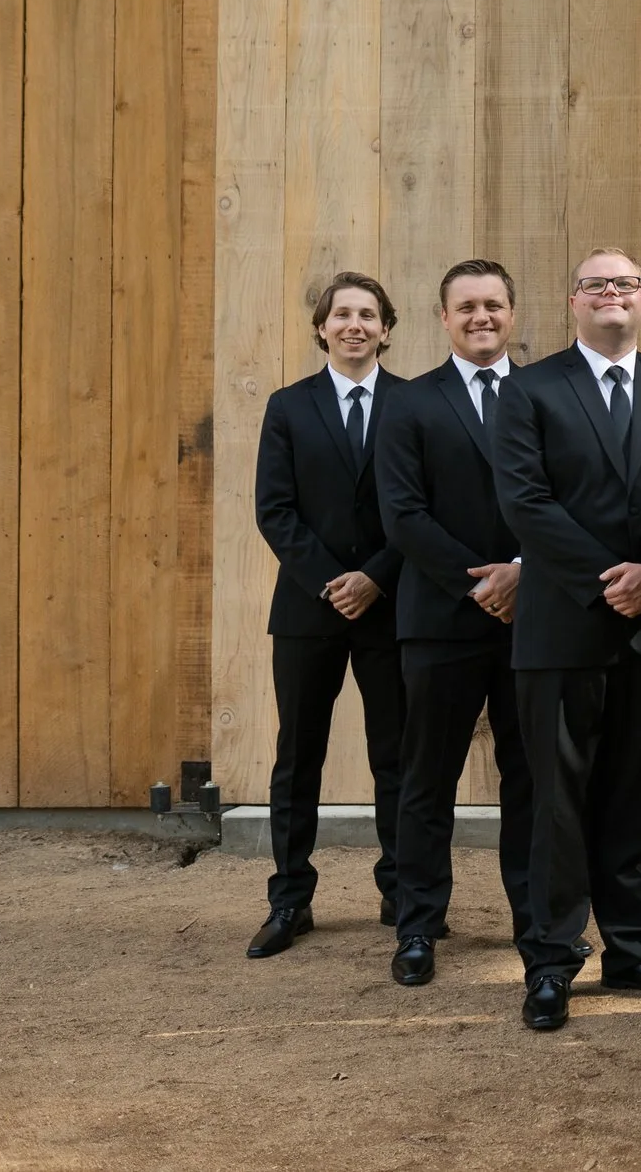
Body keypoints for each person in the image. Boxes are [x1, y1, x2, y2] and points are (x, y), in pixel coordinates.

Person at [493, 248, 641, 1031]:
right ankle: (550, 959)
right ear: (572, 300)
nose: (610, 293)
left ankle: (633, 950)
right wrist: (612, 575)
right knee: (558, 803)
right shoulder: (528, 389)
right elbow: (525, 501)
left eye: (624, 283)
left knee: (631, 799)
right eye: (595, 284)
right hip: (563, 628)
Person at [372, 259, 537, 988]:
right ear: (443, 317)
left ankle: (536, 919)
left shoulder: (546, 393)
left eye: (494, 305)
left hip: (535, 618)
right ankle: (417, 923)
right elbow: (403, 514)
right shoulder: (409, 403)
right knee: (425, 778)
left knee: (530, 779)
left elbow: (572, 496)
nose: (482, 316)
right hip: (440, 619)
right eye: (466, 306)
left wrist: (523, 571)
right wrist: (482, 583)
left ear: (512, 312)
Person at [247, 272, 408, 959]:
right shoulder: (288, 406)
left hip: (392, 606)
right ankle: (291, 898)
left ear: (385, 329)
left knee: (398, 756)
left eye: (367, 314)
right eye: (341, 313)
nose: (354, 324)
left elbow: (422, 508)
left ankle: (405, 893)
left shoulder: (414, 403)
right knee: (298, 756)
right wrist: (333, 582)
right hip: (308, 609)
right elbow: (274, 509)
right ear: (321, 327)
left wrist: (373, 577)